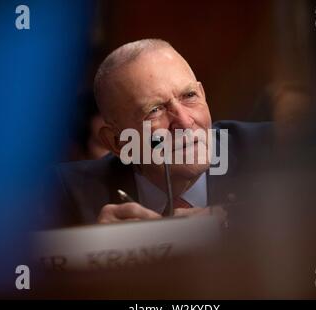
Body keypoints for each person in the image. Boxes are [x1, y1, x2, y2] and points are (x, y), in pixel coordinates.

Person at [40, 39, 272, 228]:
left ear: (203, 95)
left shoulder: (273, 148)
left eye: (189, 96)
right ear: (117, 142)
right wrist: (94, 247)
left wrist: (230, 217)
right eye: (155, 110)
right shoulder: (65, 193)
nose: (183, 121)